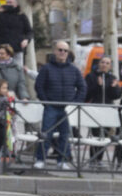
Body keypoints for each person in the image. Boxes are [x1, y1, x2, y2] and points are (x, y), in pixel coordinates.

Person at [32, 40, 85, 170]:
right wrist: (46, 102)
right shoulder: (46, 68)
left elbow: (83, 87)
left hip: (67, 108)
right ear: (55, 51)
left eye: (65, 50)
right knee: (46, 134)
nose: (62, 52)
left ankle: (62, 160)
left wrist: (74, 103)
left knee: (65, 135)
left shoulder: (74, 70)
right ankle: (40, 159)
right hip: (51, 107)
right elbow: (39, 86)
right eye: (60, 50)